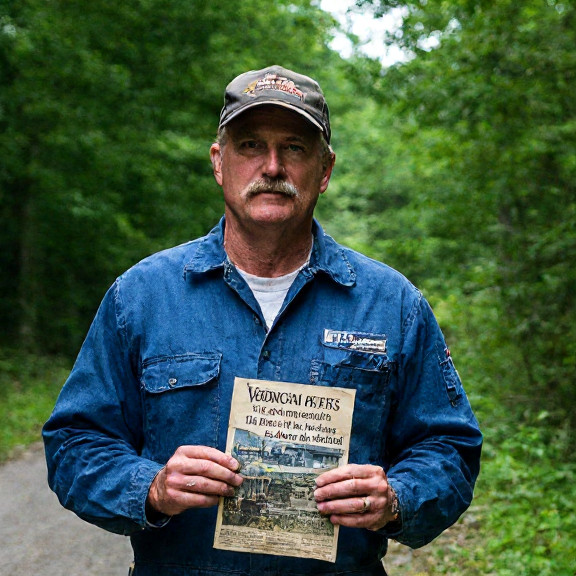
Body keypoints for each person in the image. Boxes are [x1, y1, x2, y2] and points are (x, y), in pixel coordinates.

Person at [43, 65, 482, 576]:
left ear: (325, 170)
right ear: (218, 162)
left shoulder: (392, 303)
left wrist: (396, 498)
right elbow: (76, 443)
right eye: (250, 145)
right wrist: (153, 487)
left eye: (294, 148)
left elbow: (449, 448)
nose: (272, 166)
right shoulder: (141, 296)